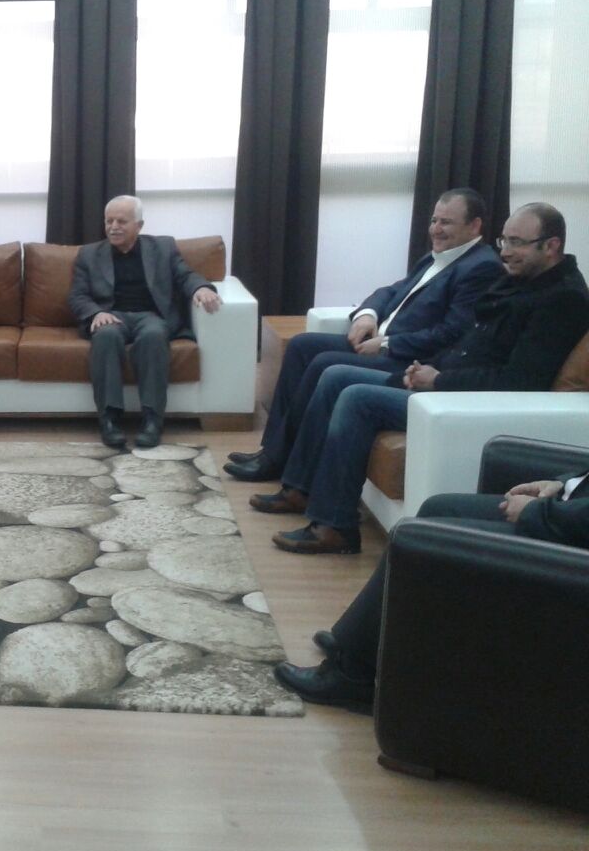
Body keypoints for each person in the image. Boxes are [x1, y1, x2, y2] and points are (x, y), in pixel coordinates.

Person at [252, 202, 589, 555]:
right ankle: (301, 489)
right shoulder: (519, 278)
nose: (505, 251)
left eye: (517, 243)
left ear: (551, 246)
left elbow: (518, 381)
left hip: (463, 401)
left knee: (356, 397)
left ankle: (334, 525)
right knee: (335, 376)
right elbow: (469, 342)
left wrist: (438, 380)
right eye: (504, 240)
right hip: (443, 380)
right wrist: (423, 369)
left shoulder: (563, 299)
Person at [225, 188, 502, 482]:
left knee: (324, 363)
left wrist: (387, 343)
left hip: (410, 359)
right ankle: (272, 452)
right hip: (380, 343)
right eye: (434, 220)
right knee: (302, 346)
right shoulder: (440, 256)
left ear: (475, 226)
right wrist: (367, 315)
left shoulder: (481, 267)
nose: (435, 229)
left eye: (446, 222)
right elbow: (390, 291)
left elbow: (453, 333)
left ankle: (283, 465)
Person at [274, 468, 589, 711]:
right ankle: (375, 645)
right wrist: (562, 482)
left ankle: (352, 673)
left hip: (570, 539)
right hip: (569, 510)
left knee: (418, 538)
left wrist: (535, 512)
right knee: (437, 508)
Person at [68, 195, 222, 449]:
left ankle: (152, 419)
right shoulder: (89, 254)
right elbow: (77, 295)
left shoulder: (163, 247)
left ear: (139, 225)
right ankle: (109, 419)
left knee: (153, 335)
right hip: (111, 315)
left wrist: (201, 288)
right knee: (105, 335)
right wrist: (95, 313)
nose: (113, 227)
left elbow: (185, 275)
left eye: (121, 221)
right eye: (109, 221)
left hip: (150, 316)